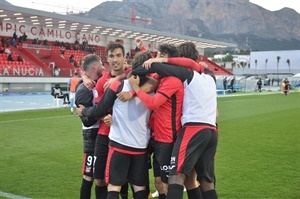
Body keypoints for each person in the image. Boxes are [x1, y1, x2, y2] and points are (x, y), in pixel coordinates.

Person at [133, 42, 218, 199]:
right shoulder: (210, 76)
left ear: (182, 59)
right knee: (205, 181)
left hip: (194, 129)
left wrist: (133, 74)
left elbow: (158, 68)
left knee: (175, 176)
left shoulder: (187, 75)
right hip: (211, 132)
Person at [77, 51, 157, 199]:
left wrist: (84, 111)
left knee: (114, 185)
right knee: (139, 187)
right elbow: (154, 82)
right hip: (140, 145)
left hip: (119, 144)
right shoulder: (153, 89)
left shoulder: (118, 87)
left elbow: (99, 108)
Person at [128, 43, 183, 199]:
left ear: (168, 60)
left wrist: (135, 90)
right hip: (157, 138)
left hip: (168, 139)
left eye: (159, 55)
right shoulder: (161, 76)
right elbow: (142, 70)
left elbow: (153, 103)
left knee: (168, 183)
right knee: (159, 183)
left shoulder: (173, 80)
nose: (155, 59)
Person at [80, 42, 129, 199]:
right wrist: (103, 116)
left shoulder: (132, 75)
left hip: (126, 135)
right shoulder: (102, 81)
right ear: (107, 59)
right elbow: (100, 107)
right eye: (111, 56)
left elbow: (141, 67)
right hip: (104, 134)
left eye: (118, 55)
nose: (115, 59)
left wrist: (120, 77)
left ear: (124, 57)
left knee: (125, 179)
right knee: (99, 179)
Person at [75, 54, 105, 199]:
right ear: (94, 66)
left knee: (101, 177)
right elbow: (86, 121)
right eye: (100, 63)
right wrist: (101, 112)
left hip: (102, 135)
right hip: (92, 137)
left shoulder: (95, 82)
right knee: (89, 177)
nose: (103, 65)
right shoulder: (83, 89)